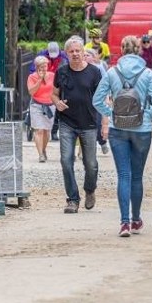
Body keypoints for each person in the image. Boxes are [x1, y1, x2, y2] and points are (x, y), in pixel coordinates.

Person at [93, 35, 152, 237]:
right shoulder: (147, 73)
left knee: (123, 175)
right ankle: (136, 219)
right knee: (137, 176)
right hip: (141, 130)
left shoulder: (111, 72)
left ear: (121, 50)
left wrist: (112, 115)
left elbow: (97, 100)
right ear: (140, 50)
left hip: (118, 129)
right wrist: (146, 115)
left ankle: (124, 222)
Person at [52, 35, 104, 214]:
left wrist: (105, 122)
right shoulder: (62, 72)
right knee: (66, 161)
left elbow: (103, 97)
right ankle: (72, 199)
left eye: (78, 51)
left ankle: (90, 190)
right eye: (71, 51)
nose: (75, 54)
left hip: (89, 123)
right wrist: (57, 102)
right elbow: (54, 94)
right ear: (66, 53)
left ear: (83, 52)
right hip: (67, 122)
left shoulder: (94, 72)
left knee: (91, 164)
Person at [29, 41, 68, 141]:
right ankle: (31, 125)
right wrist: (40, 77)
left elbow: (67, 70)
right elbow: (33, 69)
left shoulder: (63, 56)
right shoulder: (42, 55)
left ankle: (54, 131)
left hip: (57, 84)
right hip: (43, 82)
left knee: (58, 108)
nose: (54, 57)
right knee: (36, 107)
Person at [27, 56, 56, 163]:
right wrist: (39, 80)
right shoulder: (32, 77)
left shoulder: (53, 76)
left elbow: (57, 90)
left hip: (49, 105)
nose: (44, 68)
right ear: (36, 67)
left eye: (45, 66)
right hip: (36, 105)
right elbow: (31, 92)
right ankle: (40, 155)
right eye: (41, 66)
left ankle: (43, 150)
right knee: (39, 130)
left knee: (47, 131)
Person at [85, 48, 109, 154]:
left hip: (98, 101)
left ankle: (103, 142)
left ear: (93, 57)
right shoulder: (80, 68)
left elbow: (105, 83)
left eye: (88, 55)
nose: (85, 57)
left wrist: (107, 97)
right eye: (84, 55)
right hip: (86, 102)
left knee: (99, 123)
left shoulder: (99, 68)